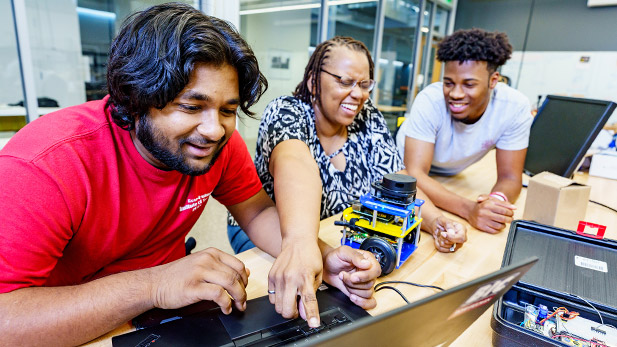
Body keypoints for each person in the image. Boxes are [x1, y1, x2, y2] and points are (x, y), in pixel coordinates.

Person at [0, 4, 380, 346]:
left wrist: (315, 255)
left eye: (227, 110)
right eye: (191, 106)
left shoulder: (215, 145)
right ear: (136, 99)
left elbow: (257, 212)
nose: (214, 129)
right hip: (76, 327)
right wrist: (154, 284)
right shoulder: (45, 165)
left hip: (171, 317)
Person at [228, 36, 466, 257]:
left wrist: (436, 222)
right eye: (345, 82)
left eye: (364, 84)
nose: (358, 94)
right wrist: (312, 251)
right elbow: (294, 166)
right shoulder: (287, 111)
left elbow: (396, 180)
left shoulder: (368, 117)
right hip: (270, 229)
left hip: (336, 230)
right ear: (313, 82)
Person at [396, 28, 533, 234]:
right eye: (448, 83)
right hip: (405, 172)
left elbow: (511, 179)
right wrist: (469, 209)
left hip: (450, 174)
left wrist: (494, 203)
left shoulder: (515, 107)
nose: (456, 94)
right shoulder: (430, 100)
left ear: (493, 80)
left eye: (469, 84)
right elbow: (414, 174)